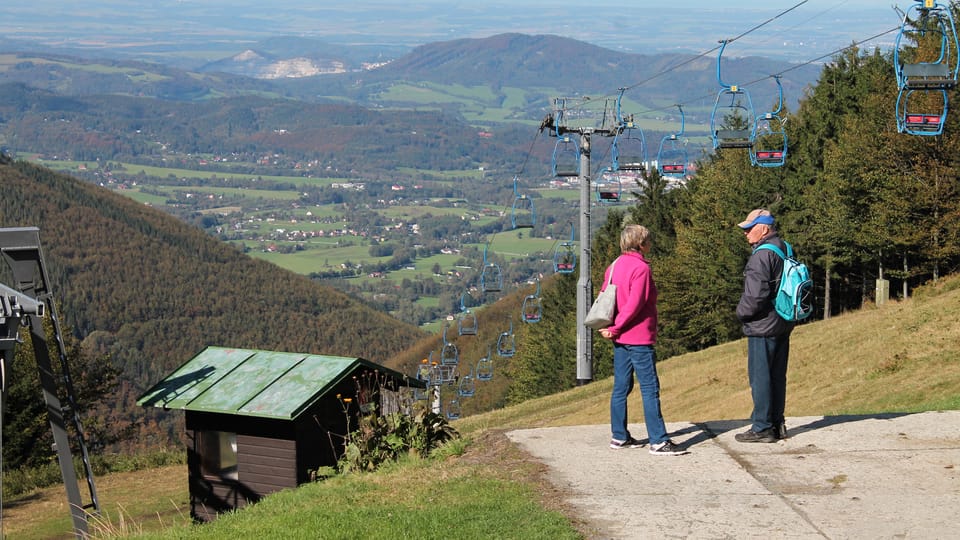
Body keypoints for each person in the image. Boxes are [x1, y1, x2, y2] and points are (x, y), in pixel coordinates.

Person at [598, 224, 687, 455]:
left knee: (621, 387)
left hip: (620, 338)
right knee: (649, 388)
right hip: (638, 337)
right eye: (648, 241)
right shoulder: (641, 269)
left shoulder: (614, 266)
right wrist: (617, 328)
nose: (650, 244)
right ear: (641, 244)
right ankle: (658, 441)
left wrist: (611, 328)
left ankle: (619, 436)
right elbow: (635, 305)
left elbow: (606, 299)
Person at [735, 209, 794, 443]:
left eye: (750, 228)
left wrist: (741, 314)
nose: (746, 232)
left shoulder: (761, 255)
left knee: (761, 377)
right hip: (783, 319)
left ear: (764, 228)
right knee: (777, 375)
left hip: (762, 325)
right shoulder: (784, 247)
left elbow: (755, 296)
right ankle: (777, 423)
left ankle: (761, 427)